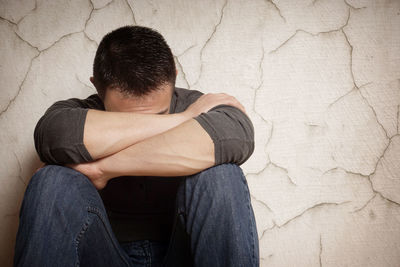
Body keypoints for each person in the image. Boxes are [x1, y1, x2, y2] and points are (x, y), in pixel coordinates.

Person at [14, 25, 259, 267]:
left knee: (221, 176)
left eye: (159, 114)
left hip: (182, 253)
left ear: (173, 75)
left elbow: (237, 135)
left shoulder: (200, 103)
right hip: (104, 253)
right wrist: (181, 120)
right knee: (52, 181)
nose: (151, 121)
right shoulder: (76, 112)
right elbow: (53, 135)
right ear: (97, 87)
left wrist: (103, 169)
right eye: (126, 118)